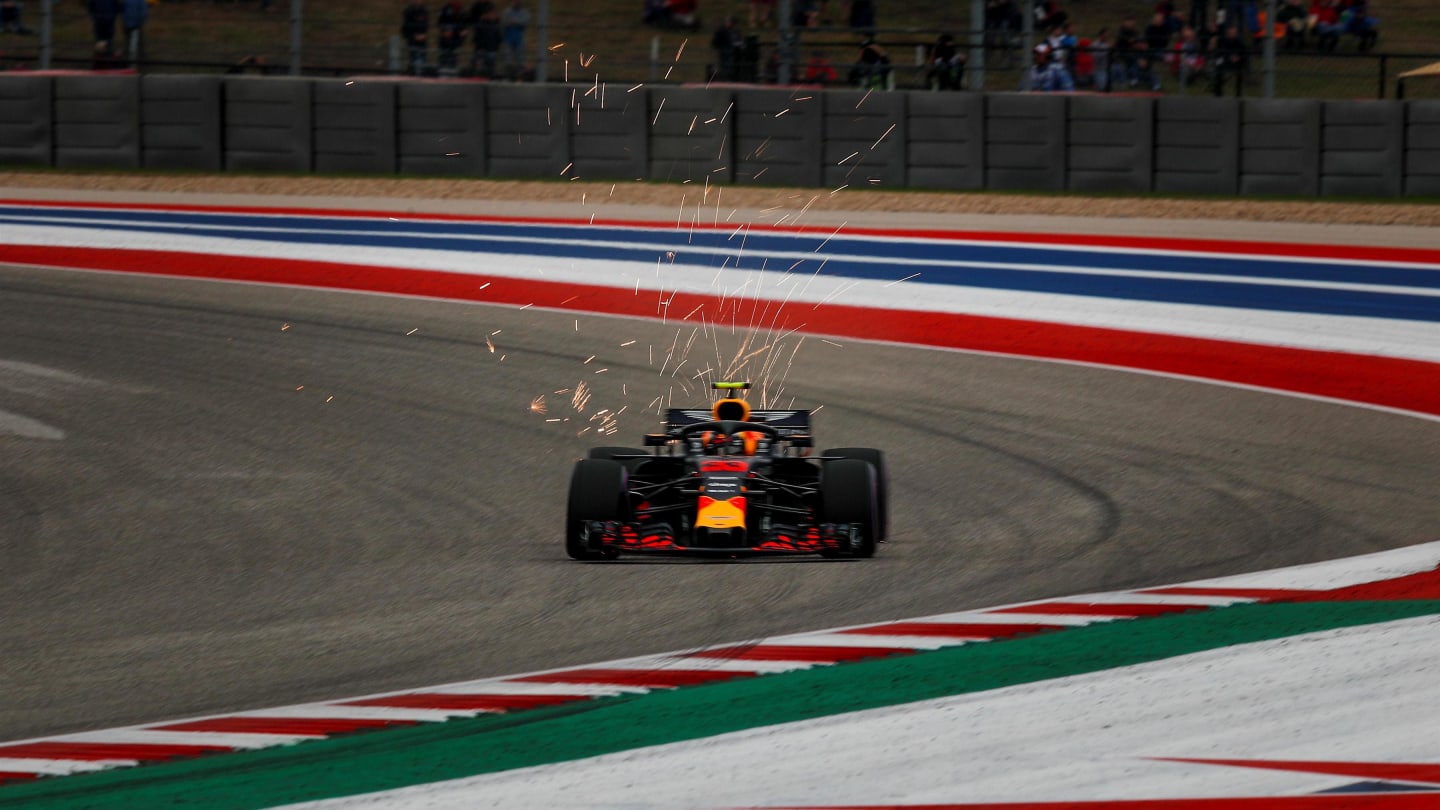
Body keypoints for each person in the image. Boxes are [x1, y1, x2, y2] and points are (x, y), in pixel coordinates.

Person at [499, 0, 528, 80]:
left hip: (519, 38)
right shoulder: (507, 11)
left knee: (520, 58)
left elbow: (525, 22)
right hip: (508, 38)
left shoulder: (524, 12)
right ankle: (507, 76)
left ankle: (520, 77)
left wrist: (514, 22)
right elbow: (504, 22)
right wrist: (514, 22)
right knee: (507, 58)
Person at [470, 2, 500, 77]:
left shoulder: (495, 25)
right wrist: (480, 48)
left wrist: (496, 47)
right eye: (492, 14)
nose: (493, 15)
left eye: (494, 14)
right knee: (480, 68)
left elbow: (498, 37)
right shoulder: (481, 24)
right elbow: (477, 37)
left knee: (490, 69)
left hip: (492, 50)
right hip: (482, 50)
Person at [436, 0, 466, 74]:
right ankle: (442, 73)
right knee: (444, 58)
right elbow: (441, 23)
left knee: (453, 59)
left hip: (456, 40)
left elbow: (463, 24)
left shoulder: (461, 11)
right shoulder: (445, 9)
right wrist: (445, 31)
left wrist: (463, 32)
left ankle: (452, 73)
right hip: (445, 40)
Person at [711, 15, 743, 81]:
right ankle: (727, 74)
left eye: (731, 22)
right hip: (725, 50)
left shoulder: (736, 32)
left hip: (736, 51)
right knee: (728, 56)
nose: (729, 23)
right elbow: (715, 42)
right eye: (728, 21)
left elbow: (740, 41)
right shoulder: (721, 31)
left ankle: (734, 74)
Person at [401, 0, 429, 76]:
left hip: (422, 41)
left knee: (421, 60)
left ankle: (418, 74)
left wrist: (423, 35)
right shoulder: (408, 11)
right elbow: (406, 27)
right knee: (414, 60)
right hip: (412, 40)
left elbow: (426, 25)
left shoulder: (424, 11)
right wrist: (414, 36)